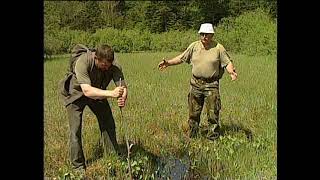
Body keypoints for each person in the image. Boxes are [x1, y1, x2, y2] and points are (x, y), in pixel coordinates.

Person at [158, 23, 237, 140]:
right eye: (202, 34)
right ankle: (193, 136)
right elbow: (182, 58)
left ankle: (212, 139)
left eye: (207, 34)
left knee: (213, 114)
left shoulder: (218, 48)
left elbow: (227, 62)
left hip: (211, 85)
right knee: (193, 113)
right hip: (196, 84)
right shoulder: (194, 46)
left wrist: (231, 72)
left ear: (212, 35)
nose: (204, 36)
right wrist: (168, 63)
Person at [60, 44, 128, 172]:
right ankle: (78, 167)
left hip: (98, 93)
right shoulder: (83, 62)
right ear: (96, 58)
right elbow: (87, 91)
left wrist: (123, 97)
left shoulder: (114, 66)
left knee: (108, 123)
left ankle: (113, 156)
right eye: (103, 65)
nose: (106, 68)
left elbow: (123, 87)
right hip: (76, 94)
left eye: (108, 65)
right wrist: (111, 93)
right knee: (75, 130)